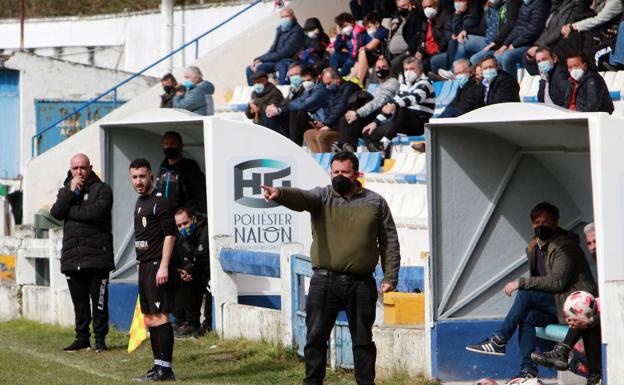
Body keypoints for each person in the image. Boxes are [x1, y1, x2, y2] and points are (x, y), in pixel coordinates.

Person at [261, 151, 401, 385]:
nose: (339, 176)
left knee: (363, 340)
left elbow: (389, 240)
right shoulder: (322, 196)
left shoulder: (375, 202)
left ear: (357, 173)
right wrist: (280, 194)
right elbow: (302, 197)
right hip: (325, 281)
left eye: (344, 172)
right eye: (335, 172)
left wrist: (390, 275)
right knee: (315, 337)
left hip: (362, 283)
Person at [466, 202, 597, 381]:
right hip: (558, 303)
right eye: (537, 222)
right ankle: (528, 369)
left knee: (525, 293)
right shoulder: (539, 247)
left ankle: (499, 340)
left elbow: (557, 282)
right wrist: (532, 253)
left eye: (546, 222)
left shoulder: (565, 247)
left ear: (556, 222)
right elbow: (540, 281)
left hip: (578, 304)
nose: (540, 226)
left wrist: (521, 283)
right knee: (527, 315)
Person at [50, 154, 114, 353]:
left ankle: (100, 340)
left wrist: (70, 211)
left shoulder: (102, 189)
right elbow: (56, 213)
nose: (79, 172)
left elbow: (97, 213)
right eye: (75, 168)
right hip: (73, 257)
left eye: (83, 167)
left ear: (90, 168)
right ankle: (82, 339)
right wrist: (70, 194)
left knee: (99, 302)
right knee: (79, 303)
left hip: (97, 257)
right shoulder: (65, 191)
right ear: (70, 169)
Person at [531, 222, 602, 385]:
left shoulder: (615, 268)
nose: (592, 247)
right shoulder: (602, 268)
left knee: (587, 319)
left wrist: (588, 320)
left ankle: (564, 353)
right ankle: (593, 376)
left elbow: (615, 308)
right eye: (589, 243)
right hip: (607, 319)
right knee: (585, 314)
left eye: (596, 242)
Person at [129, 159, 177, 381]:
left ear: (150, 176)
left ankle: (166, 369)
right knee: (149, 317)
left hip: (158, 266)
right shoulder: (140, 202)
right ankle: (157, 365)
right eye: (134, 177)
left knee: (160, 316)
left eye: (142, 176)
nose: (138, 181)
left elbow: (170, 234)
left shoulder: (161, 202)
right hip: (145, 266)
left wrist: (164, 266)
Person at [362, 57, 434, 150]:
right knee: (368, 132)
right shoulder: (404, 85)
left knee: (401, 110)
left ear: (420, 69)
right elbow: (394, 102)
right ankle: (381, 156)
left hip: (420, 123)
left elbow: (414, 98)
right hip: (402, 123)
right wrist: (376, 122)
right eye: (406, 69)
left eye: (412, 69)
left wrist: (394, 105)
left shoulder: (425, 83)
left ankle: (384, 142)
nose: (409, 72)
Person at [340, 56, 400, 152]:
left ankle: (347, 147)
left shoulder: (393, 82)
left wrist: (358, 113)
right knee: (347, 118)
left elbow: (379, 101)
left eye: (384, 67)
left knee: (351, 119)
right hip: (372, 116)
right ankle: (348, 147)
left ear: (390, 69)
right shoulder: (376, 87)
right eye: (378, 67)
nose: (380, 70)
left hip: (384, 118)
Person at [172, 207, 211, 338]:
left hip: (210, 272)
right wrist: (187, 271)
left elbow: (203, 258)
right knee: (185, 280)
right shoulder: (181, 238)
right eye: (179, 225)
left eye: (185, 223)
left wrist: (191, 268)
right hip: (197, 271)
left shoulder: (206, 232)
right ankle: (192, 323)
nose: (183, 228)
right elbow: (187, 260)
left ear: (193, 219)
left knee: (211, 285)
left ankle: (209, 324)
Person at [304, 67, 361, 153]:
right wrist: (322, 124)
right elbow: (330, 111)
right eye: (325, 84)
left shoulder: (349, 88)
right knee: (309, 134)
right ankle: (318, 161)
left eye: (329, 83)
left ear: (337, 79)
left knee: (322, 136)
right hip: (335, 125)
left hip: (347, 127)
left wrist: (328, 124)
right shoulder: (332, 91)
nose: (327, 86)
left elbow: (341, 107)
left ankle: (328, 163)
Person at [246, 8, 306, 85]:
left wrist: (262, 60)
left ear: (292, 17)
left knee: (260, 68)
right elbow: (273, 48)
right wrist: (259, 60)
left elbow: (284, 53)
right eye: (282, 17)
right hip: (276, 59)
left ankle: (263, 91)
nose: (284, 19)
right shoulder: (281, 29)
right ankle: (254, 93)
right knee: (249, 69)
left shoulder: (297, 31)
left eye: (286, 16)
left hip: (286, 60)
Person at [493, 0, 550, 79]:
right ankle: (503, 85)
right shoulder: (525, 4)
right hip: (521, 42)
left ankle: (512, 87)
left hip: (532, 43)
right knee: (497, 56)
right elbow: (518, 27)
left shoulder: (540, 3)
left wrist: (514, 44)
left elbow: (534, 30)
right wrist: (505, 44)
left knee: (507, 57)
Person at [156, 131, 207, 216]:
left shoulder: (190, 166)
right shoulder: (162, 168)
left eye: (173, 143)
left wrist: (202, 215)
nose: (169, 146)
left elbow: (200, 192)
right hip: (167, 217)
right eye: (166, 144)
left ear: (180, 146)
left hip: (187, 218)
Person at [431, 0, 484, 74]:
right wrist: (458, 13)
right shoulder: (453, 10)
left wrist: (458, 14)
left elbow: (466, 27)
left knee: (462, 40)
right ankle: (445, 79)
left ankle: (454, 71)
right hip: (454, 49)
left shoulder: (474, 8)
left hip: (476, 40)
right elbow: (451, 29)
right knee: (435, 60)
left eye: (460, 0)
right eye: (455, 0)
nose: (457, 2)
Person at [287, 67, 330, 145]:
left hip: (323, 120)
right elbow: (293, 103)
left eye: (308, 80)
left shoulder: (321, 90)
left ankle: (296, 144)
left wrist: (296, 105)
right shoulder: (309, 90)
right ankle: (295, 143)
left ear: (316, 78)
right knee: (294, 113)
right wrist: (294, 105)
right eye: (303, 81)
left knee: (300, 112)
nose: (306, 83)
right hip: (314, 120)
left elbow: (305, 105)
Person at [388, 0, 426, 75]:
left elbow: (418, 36)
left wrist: (409, 51)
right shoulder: (399, 18)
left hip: (409, 52)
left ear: (412, 4)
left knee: (392, 66)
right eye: (399, 7)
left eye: (404, 6)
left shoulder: (416, 16)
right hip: (392, 54)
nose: (401, 9)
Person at [353, 11, 391, 83]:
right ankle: (352, 77)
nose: (368, 30)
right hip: (379, 55)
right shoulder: (377, 32)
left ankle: (359, 81)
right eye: (366, 28)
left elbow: (370, 46)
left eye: (369, 27)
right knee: (363, 52)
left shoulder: (382, 31)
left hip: (386, 56)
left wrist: (364, 48)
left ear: (377, 24)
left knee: (364, 52)